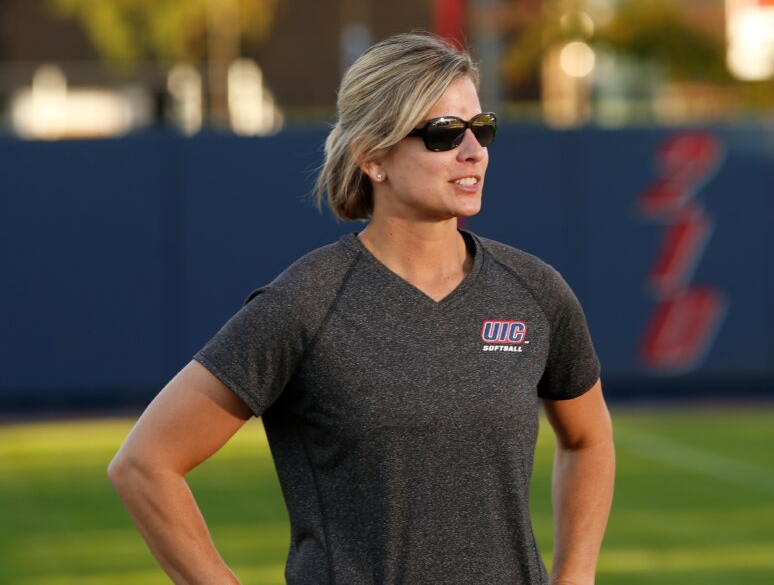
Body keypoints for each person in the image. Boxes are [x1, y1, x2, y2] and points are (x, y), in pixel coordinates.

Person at [107, 31, 615, 584]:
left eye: (482, 128)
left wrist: (575, 576)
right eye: (445, 134)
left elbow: (589, 439)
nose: (474, 152)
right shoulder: (306, 303)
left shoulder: (535, 291)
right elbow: (143, 465)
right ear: (373, 157)